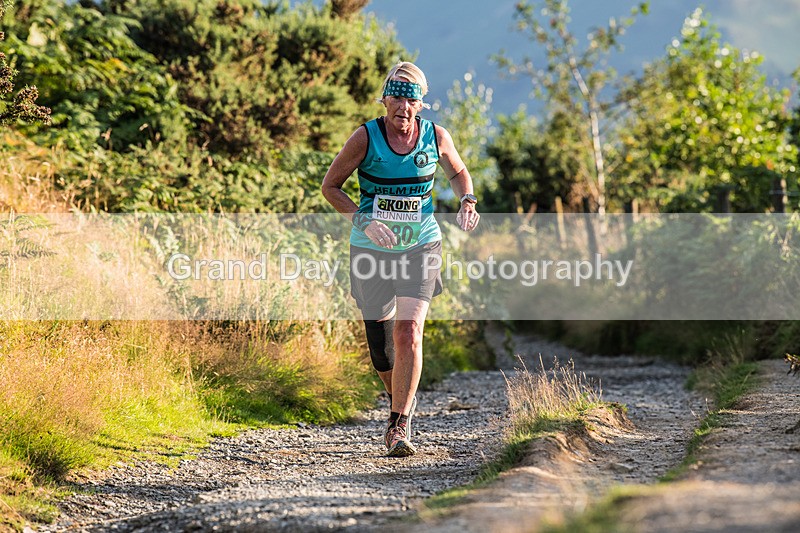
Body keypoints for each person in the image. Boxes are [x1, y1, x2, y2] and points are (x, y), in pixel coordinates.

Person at [321, 61, 479, 457]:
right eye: (396, 100)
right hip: (371, 248)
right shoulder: (365, 138)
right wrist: (364, 219)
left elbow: (458, 170)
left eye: (410, 102)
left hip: (420, 245)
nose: (402, 110)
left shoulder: (436, 136)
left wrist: (467, 198)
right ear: (386, 100)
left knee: (408, 331)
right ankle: (401, 399)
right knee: (381, 345)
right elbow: (331, 187)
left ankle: (399, 424)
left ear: (420, 106)